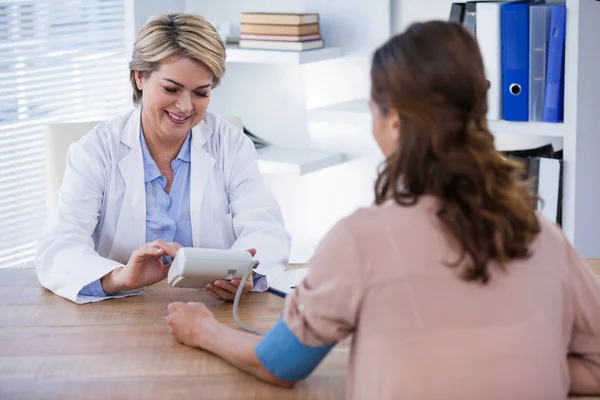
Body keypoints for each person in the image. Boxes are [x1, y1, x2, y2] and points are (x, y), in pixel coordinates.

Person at [166, 20, 600, 399]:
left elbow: (279, 365)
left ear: (393, 122)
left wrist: (201, 329)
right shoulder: (541, 235)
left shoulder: (361, 240)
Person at [35, 13, 291, 304]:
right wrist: (121, 277)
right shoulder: (95, 150)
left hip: (212, 311)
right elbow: (57, 248)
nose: (184, 106)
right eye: (171, 89)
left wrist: (245, 274)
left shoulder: (231, 145)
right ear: (140, 77)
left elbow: (266, 230)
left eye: (201, 93)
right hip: (121, 312)